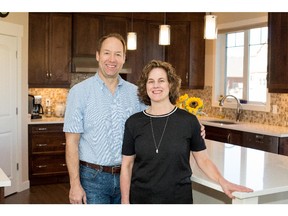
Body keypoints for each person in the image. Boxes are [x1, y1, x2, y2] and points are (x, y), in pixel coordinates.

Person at [64, 33, 206, 204]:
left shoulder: (136, 93)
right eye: (107, 53)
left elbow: (159, 113)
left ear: (124, 58)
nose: (112, 59)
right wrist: (74, 184)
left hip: (131, 177)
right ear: (97, 55)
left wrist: (190, 122)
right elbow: (71, 142)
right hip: (93, 180)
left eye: (118, 54)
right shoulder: (79, 93)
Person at [120, 60, 253, 204]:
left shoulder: (188, 121)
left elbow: (203, 160)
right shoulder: (133, 122)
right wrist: (125, 201)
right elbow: (127, 165)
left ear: (170, 84)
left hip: (178, 199)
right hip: (141, 200)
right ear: (145, 86)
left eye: (161, 80)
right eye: (150, 81)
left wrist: (223, 181)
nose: (156, 85)